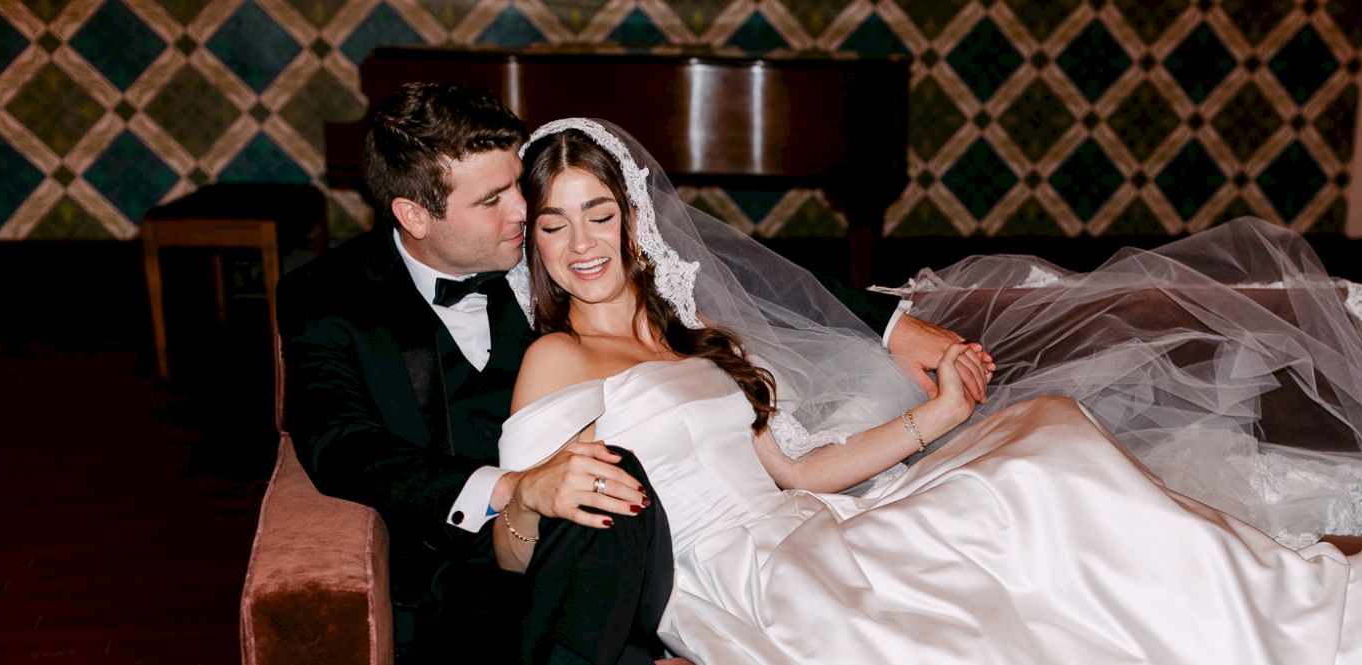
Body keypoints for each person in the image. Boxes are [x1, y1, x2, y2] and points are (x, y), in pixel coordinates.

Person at [496, 118, 1362, 664]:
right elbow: (514, 546)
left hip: (806, 524)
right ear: (530, 240)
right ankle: (1349, 610)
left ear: (633, 219)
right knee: (1009, 561)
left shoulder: (692, 338)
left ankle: (1335, 612)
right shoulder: (556, 360)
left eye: (598, 213)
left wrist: (936, 418)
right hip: (737, 582)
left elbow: (794, 470)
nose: (581, 244)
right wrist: (532, 492)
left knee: (1044, 440)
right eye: (554, 223)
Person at [278, 83, 982, 664]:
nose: (524, 212)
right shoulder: (329, 297)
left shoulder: (555, 258)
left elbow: (739, 274)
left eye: (520, 188)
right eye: (495, 200)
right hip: (483, 576)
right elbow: (341, 444)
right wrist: (514, 490)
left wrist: (893, 327)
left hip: (699, 544)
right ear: (413, 214)